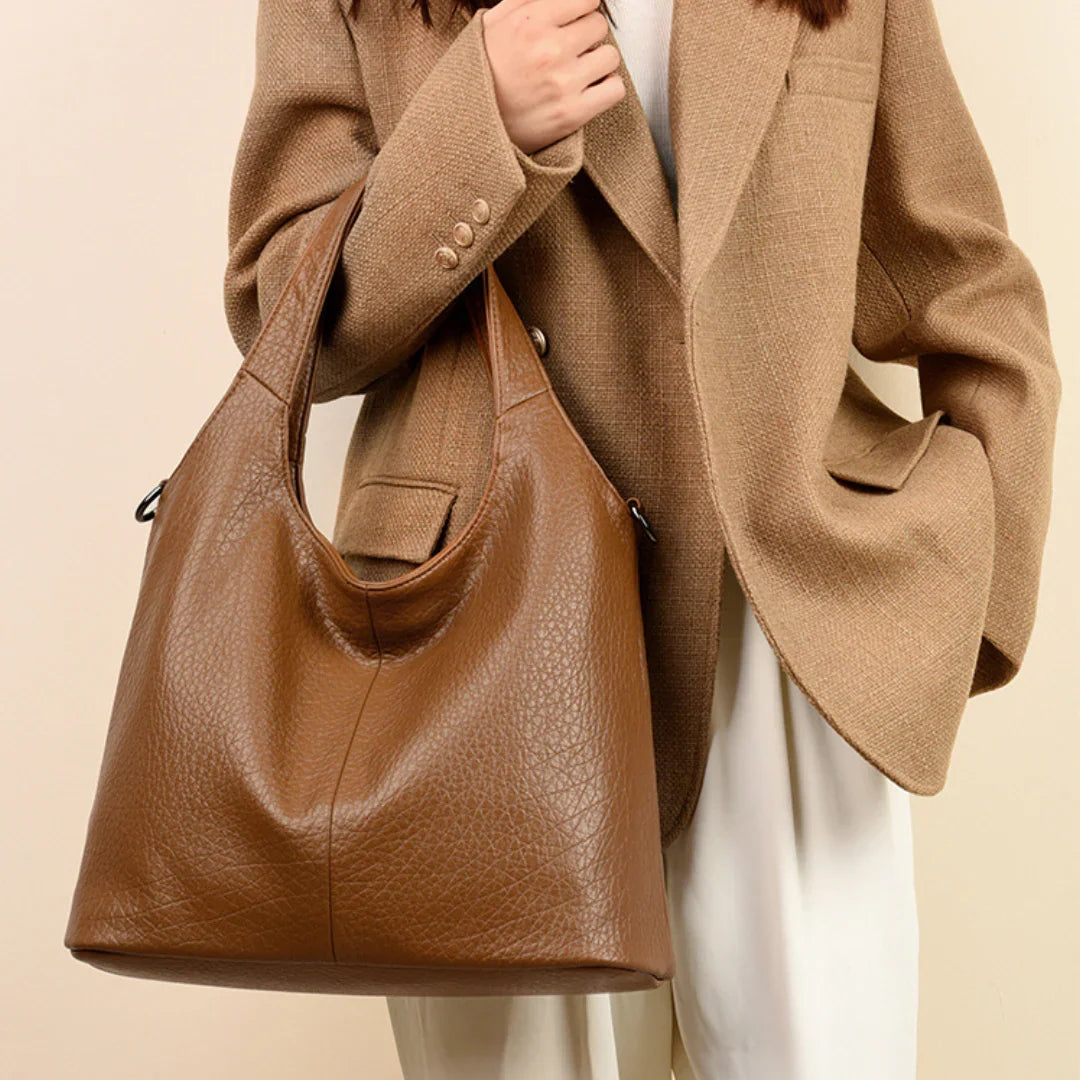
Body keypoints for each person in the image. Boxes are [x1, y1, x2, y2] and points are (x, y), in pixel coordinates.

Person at [222, 0, 1061, 1076]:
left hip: (786, 634)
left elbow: (965, 287)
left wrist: (959, 607)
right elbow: (280, 306)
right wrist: (479, 122)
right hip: (474, 641)